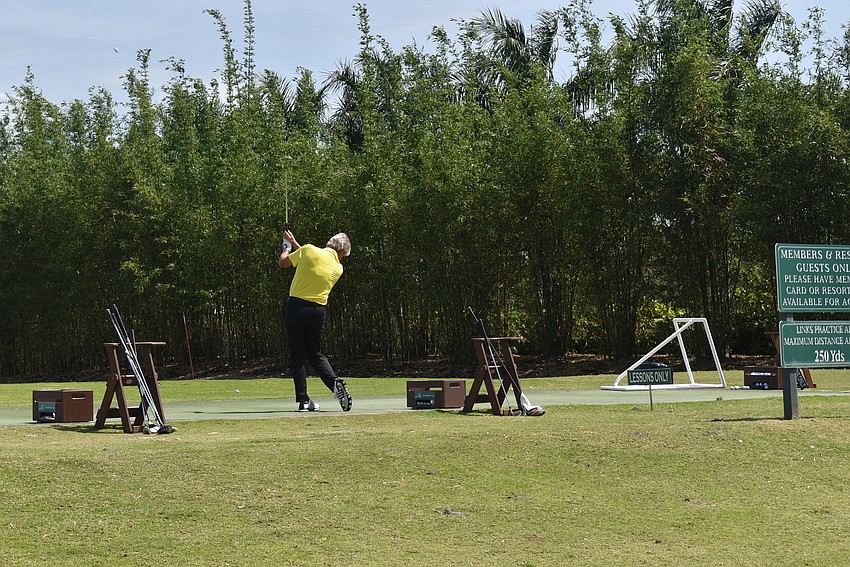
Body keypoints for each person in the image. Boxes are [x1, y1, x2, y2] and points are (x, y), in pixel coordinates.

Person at [278, 229, 352, 412]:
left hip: (295, 308)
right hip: (317, 312)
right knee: (315, 353)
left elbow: (283, 262)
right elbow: (313, 260)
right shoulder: (338, 268)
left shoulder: (309, 250)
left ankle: (303, 401)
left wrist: (286, 247)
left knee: (298, 355)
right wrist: (296, 243)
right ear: (341, 253)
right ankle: (334, 382)